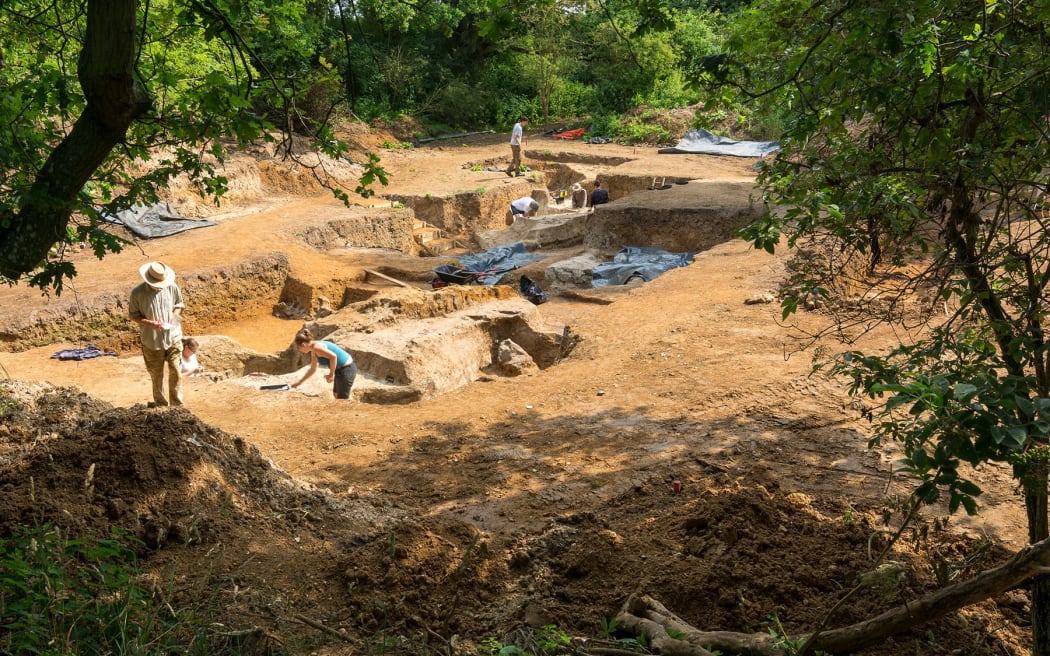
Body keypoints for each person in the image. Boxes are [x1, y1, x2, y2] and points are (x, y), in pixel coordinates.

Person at [129, 261, 186, 407]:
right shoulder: (137, 293)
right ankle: (161, 405)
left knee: (176, 371)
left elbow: (179, 305)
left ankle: (177, 405)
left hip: (173, 337)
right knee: (156, 375)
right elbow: (133, 315)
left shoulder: (172, 287)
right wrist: (150, 324)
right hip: (151, 341)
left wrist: (174, 318)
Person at [291, 328, 357, 400]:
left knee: (342, 399)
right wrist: (300, 382)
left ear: (303, 344)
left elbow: (333, 357)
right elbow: (313, 368)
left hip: (347, 369)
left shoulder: (317, 348)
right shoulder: (313, 349)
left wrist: (331, 375)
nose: (300, 350)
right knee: (336, 394)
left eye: (299, 348)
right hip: (340, 369)